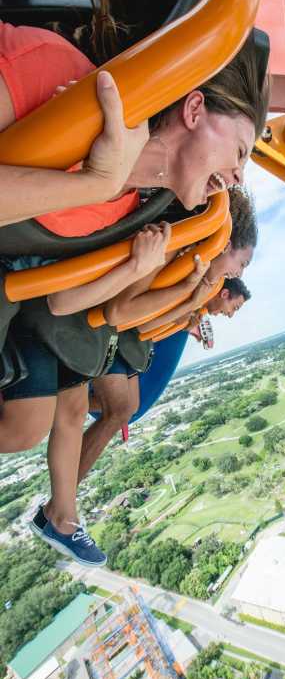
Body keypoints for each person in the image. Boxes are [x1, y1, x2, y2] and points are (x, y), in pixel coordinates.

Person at [13, 189, 257, 566]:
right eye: (241, 263)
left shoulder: (187, 268)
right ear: (222, 240)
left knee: (87, 410)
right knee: (75, 416)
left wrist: (191, 301)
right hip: (76, 314)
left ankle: (62, 509)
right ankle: (61, 507)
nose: (238, 274)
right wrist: (191, 299)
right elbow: (122, 313)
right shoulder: (172, 251)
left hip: (83, 320)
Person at [0, 0, 269, 228]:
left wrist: (100, 186)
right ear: (194, 109)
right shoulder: (52, 67)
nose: (239, 179)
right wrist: (95, 185)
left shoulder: (120, 210)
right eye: (239, 151)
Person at [29, 277, 251, 541]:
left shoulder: (194, 306)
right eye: (234, 308)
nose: (230, 315)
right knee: (123, 409)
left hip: (132, 355)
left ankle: (59, 504)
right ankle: (58, 506)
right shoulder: (189, 292)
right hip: (120, 344)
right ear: (224, 293)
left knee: (126, 409)